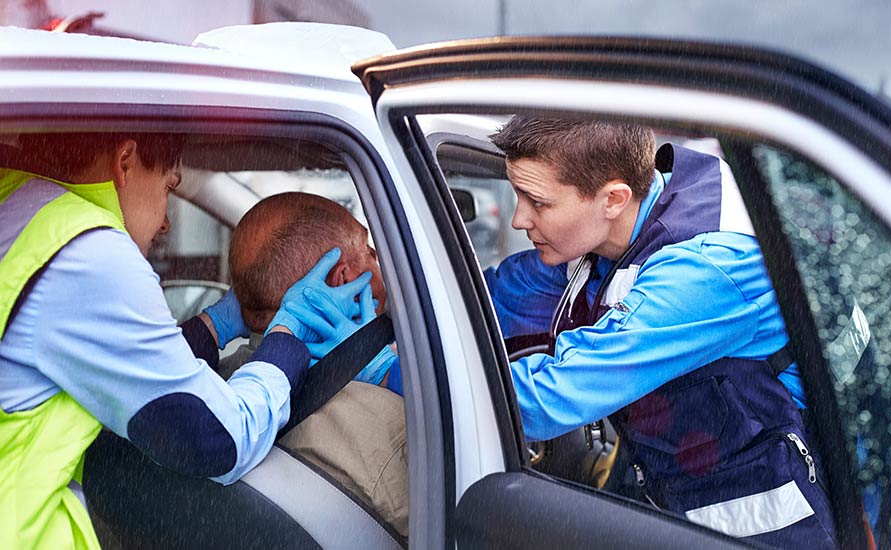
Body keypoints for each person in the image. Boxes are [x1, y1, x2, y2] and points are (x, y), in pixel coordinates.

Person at [300, 117, 839, 548]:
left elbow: (545, 399)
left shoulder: (704, 273)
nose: (517, 220)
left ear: (612, 198)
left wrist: (391, 372)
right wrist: (379, 302)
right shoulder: (603, 235)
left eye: (538, 202)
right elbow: (487, 299)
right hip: (674, 492)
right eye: (517, 196)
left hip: (763, 521)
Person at [0, 133, 351, 549]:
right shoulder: (89, 253)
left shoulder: (19, 203)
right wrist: (287, 337)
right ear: (125, 161)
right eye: (169, 186)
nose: (167, 221)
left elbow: (138, 371)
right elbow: (215, 439)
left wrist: (216, 326)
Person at [219, 192, 408, 538]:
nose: (379, 262)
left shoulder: (213, 388)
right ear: (341, 279)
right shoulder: (395, 428)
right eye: (370, 252)